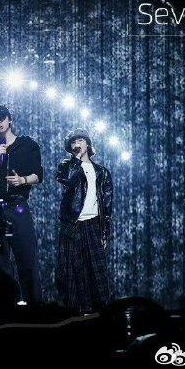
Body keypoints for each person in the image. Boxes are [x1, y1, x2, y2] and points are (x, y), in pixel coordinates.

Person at [0, 105, 44, 304]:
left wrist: (22, 180)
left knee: (27, 259)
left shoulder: (27, 145)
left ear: (10, 119)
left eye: (2, 118)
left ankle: (34, 307)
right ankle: (3, 308)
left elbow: (38, 175)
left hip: (18, 207)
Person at [55, 128, 113, 312]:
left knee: (97, 273)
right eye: (73, 142)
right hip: (72, 225)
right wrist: (77, 162)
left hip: (93, 225)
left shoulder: (102, 172)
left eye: (80, 140)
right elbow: (67, 182)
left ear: (87, 143)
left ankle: (100, 313)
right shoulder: (66, 166)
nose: (76, 144)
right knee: (72, 273)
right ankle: (74, 315)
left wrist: (105, 233)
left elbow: (107, 206)